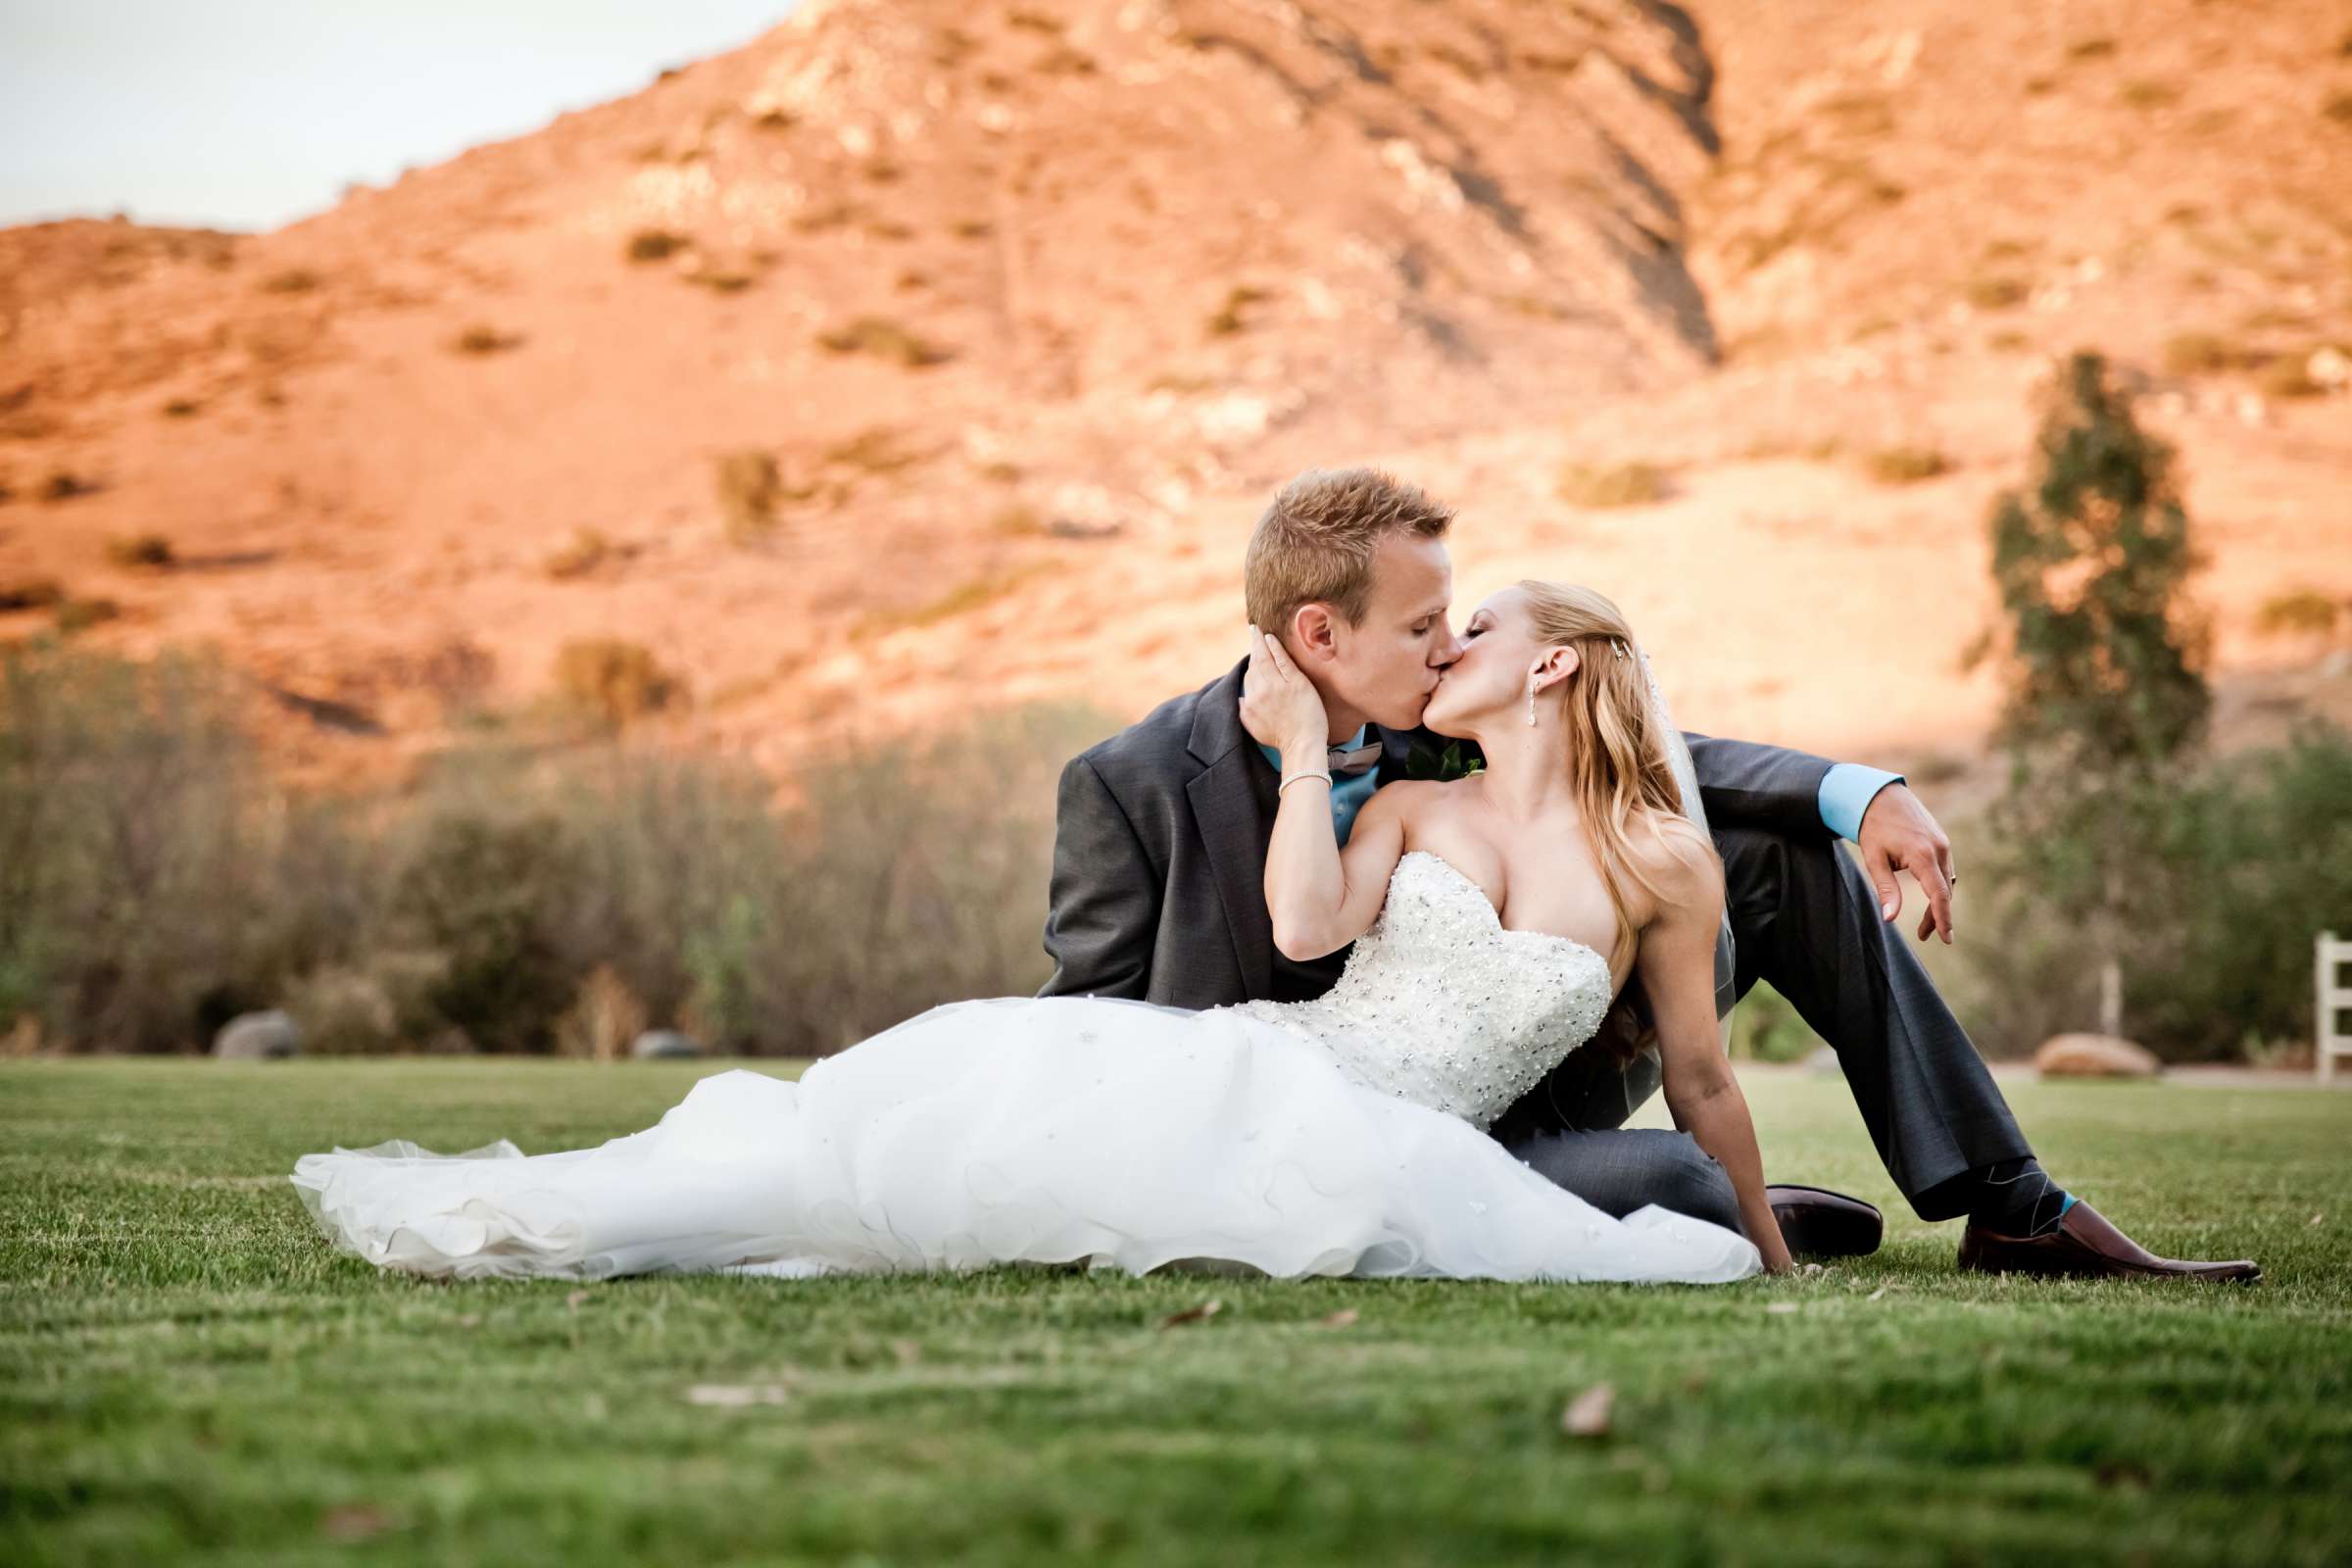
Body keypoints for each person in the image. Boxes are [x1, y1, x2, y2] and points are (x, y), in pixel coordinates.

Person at [288, 577, 1782, 1285]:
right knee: (947, 1176)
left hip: (1425, 1129)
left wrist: (1777, 1260)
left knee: (1665, 1209)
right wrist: (1311, 757)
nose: (1447, 646)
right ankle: (566, 1219)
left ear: (1555, 672)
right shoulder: (1406, 810)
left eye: (1480, 633)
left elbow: (1707, 1082)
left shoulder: (1660, 860)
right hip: (1288, 1064)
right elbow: (1304, 925)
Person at [1041, 467, 2260, 1283]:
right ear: (1321, 636)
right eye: (1428, 627)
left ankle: (2014, 1206)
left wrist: (1858, 789)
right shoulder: (1132, 782)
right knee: (1672, 1169)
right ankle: (1725, 1200)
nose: (1450, 645)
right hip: (1310, 1106)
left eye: (1459, 624)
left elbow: (1642, 752)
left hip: (1521, 1076)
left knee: (1779, 851)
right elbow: (1088, 1018)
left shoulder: (1435, 713)